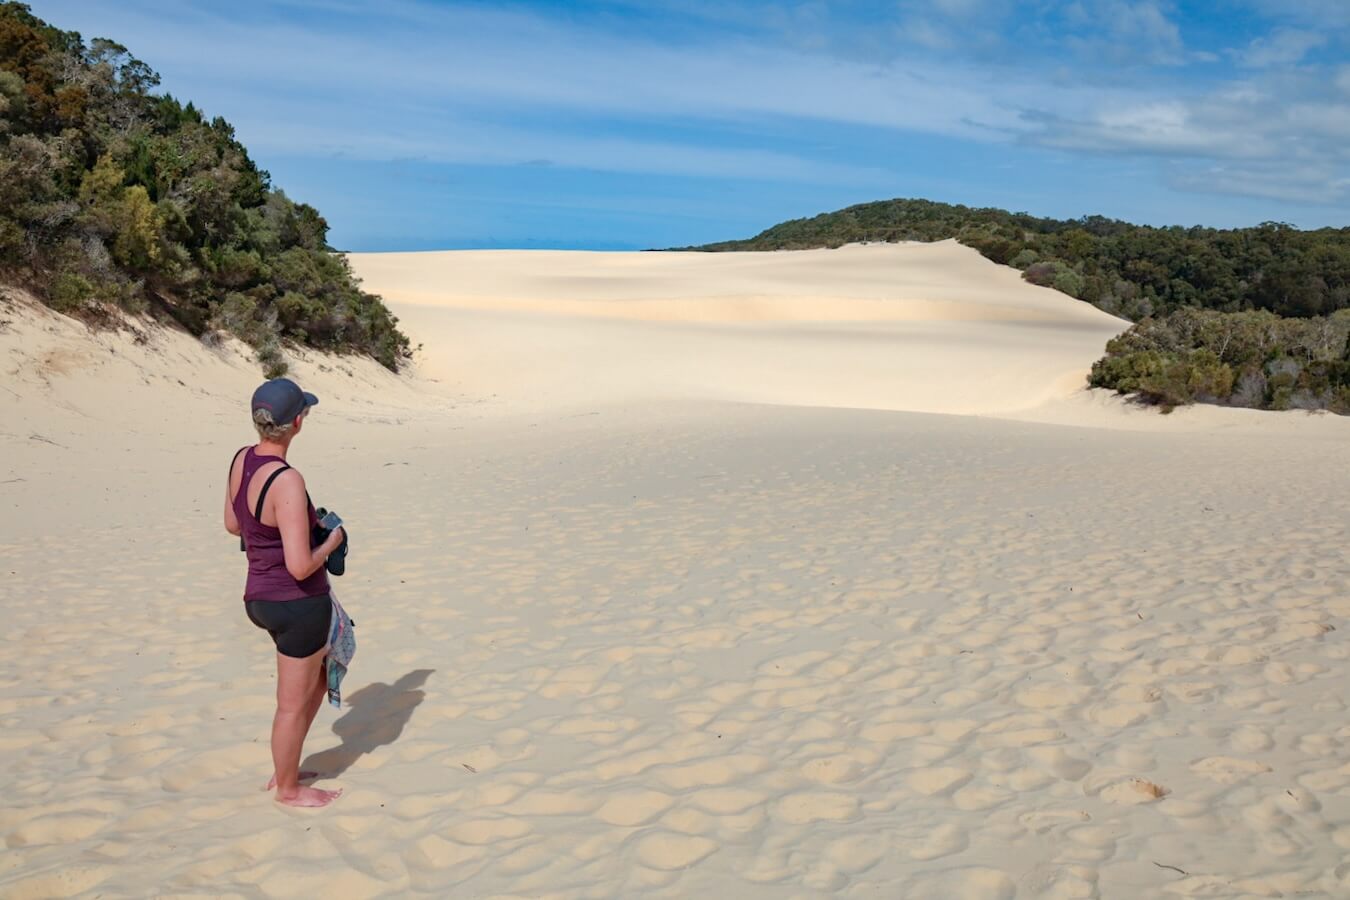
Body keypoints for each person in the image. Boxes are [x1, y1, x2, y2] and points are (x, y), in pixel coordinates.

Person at [224, 377, 347, 808]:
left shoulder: (242, 459)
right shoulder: (287, 480)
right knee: (291, 705)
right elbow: (300, 565)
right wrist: (331, 541)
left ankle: (287, 765)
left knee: (313, 685)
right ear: (297, 423)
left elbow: (234, 524)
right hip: (296, 604)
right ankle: (288, 788)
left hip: (258, 596)